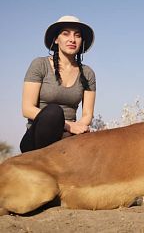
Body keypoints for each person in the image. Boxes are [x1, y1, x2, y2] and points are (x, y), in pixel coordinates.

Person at [20, 15, 96, 153]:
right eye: (66, 34)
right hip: (37, 137)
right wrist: (67, 126)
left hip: (69, 137)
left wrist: (77, 128)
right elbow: (27, 109)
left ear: (81, 41)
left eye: (77, 36)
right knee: (54, 112)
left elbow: (87, 115)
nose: (72, 39)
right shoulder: (40, 65)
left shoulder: (87, 73)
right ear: (56, 39)